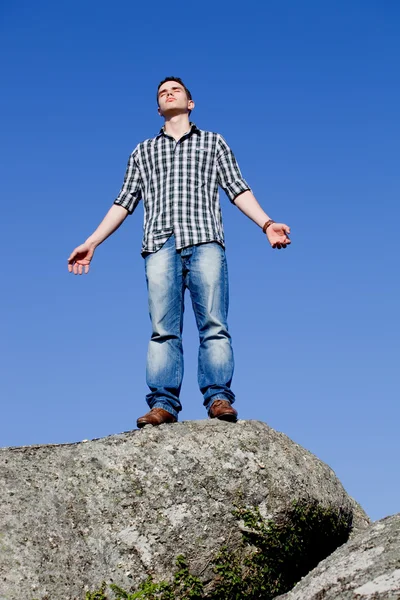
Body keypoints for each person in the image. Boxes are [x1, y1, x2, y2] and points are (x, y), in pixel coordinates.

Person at [68, 76, 291, 428]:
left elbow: (237, 188)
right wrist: (93, 240)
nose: (168, 93)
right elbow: (124, 202)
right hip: (159, 245)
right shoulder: (143, 151)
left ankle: (218, 398)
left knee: (214, 326)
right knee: (162, 330)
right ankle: (163, 404)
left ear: (190, 103)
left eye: (176, 90)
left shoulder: (213, 143)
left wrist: (266, 224)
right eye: (162, 93)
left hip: (205, 241)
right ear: (158, 108)